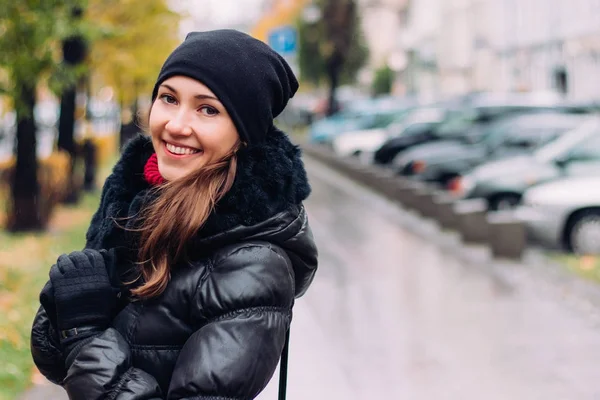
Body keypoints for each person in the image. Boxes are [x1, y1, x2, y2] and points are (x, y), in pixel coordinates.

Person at [30, 29, 318, 399]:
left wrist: (85, 334)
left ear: (244, 134)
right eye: (168, 98)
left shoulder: (255, 265)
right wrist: (70, 317)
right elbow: (57, 362)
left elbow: (83, 356)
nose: (177, 125)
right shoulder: (133, 207)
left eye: (208, 109)